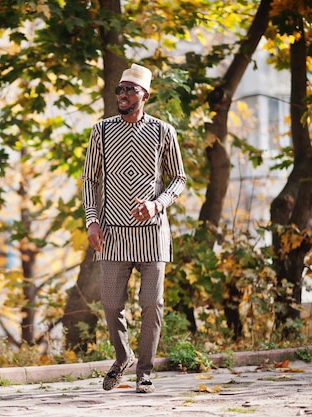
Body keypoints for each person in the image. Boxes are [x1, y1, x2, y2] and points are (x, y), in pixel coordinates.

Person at [82, 63, 187, 393]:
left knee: (151, 305)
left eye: (130, 89)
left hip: (152, 235)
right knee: (112, 305)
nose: (123, 95)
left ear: (145, 95)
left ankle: (145, 372)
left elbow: (179, 179)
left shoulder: (163, 131)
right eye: (120, 89)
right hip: (112, 233)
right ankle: (122, 355)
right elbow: (90, 179)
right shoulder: (101, 131)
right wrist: (92, 220)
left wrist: (157, 204)